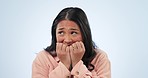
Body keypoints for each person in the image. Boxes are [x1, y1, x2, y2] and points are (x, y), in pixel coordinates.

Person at [32, 7, 111, 78]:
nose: (67, 40)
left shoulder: (100, 57)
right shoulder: (43, 57)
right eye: (61, 32)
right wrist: (64, 65)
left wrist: (77, 63)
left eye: (73, 33)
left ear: (84, 34)